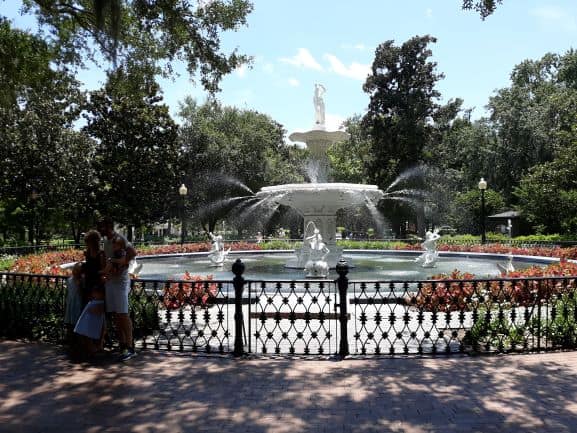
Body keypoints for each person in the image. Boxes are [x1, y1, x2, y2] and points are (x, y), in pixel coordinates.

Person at [98, 216, 137, 361]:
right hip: (110, 282)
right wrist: (107, 271)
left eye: (101, 226)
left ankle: (130, 347)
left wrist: (121, 264)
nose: (99, 229)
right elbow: (105, 257)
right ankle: (123, 345)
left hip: (120, 282)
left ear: (108, 226)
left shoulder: (119, 238)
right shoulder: (104, 241)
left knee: (122, 314)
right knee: (115, 314)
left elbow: (132, 253)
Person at [73, 230, 107, 357]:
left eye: (87, 241)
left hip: (97, 288)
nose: (86, 244)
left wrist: (98, 283)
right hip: (88, 286)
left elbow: (103, 271)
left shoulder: (101, 254)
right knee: (87, 316)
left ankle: (99, 344)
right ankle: (92, 345)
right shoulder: (87, 253)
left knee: (99, 316)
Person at [64, 262, 84, 346]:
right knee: (71, 324)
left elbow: (81, 293)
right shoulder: (70, 280)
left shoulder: (81, 281)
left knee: (76, 323)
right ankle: (72, 341)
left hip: (77, 303)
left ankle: (75, 342)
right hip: (72, 303)